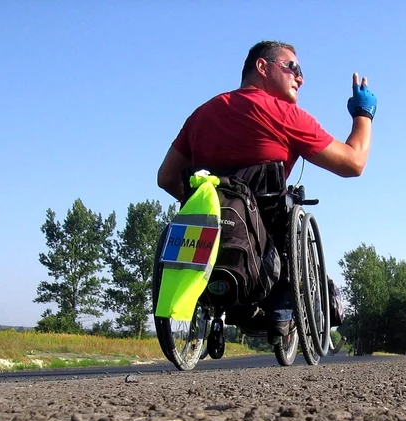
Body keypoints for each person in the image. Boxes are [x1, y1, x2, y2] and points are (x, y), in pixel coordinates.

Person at [157, 40, 376, 344]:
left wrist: (205, 203)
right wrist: (363, 113)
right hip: (267, 237)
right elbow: (353, 162)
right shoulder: (286, 115)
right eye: (292, 68)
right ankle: (282, 310)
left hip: (210, 225)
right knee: (287, 208)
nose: (300, 78)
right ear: (262, 67)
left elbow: (166, 177)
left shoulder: (202, 114)